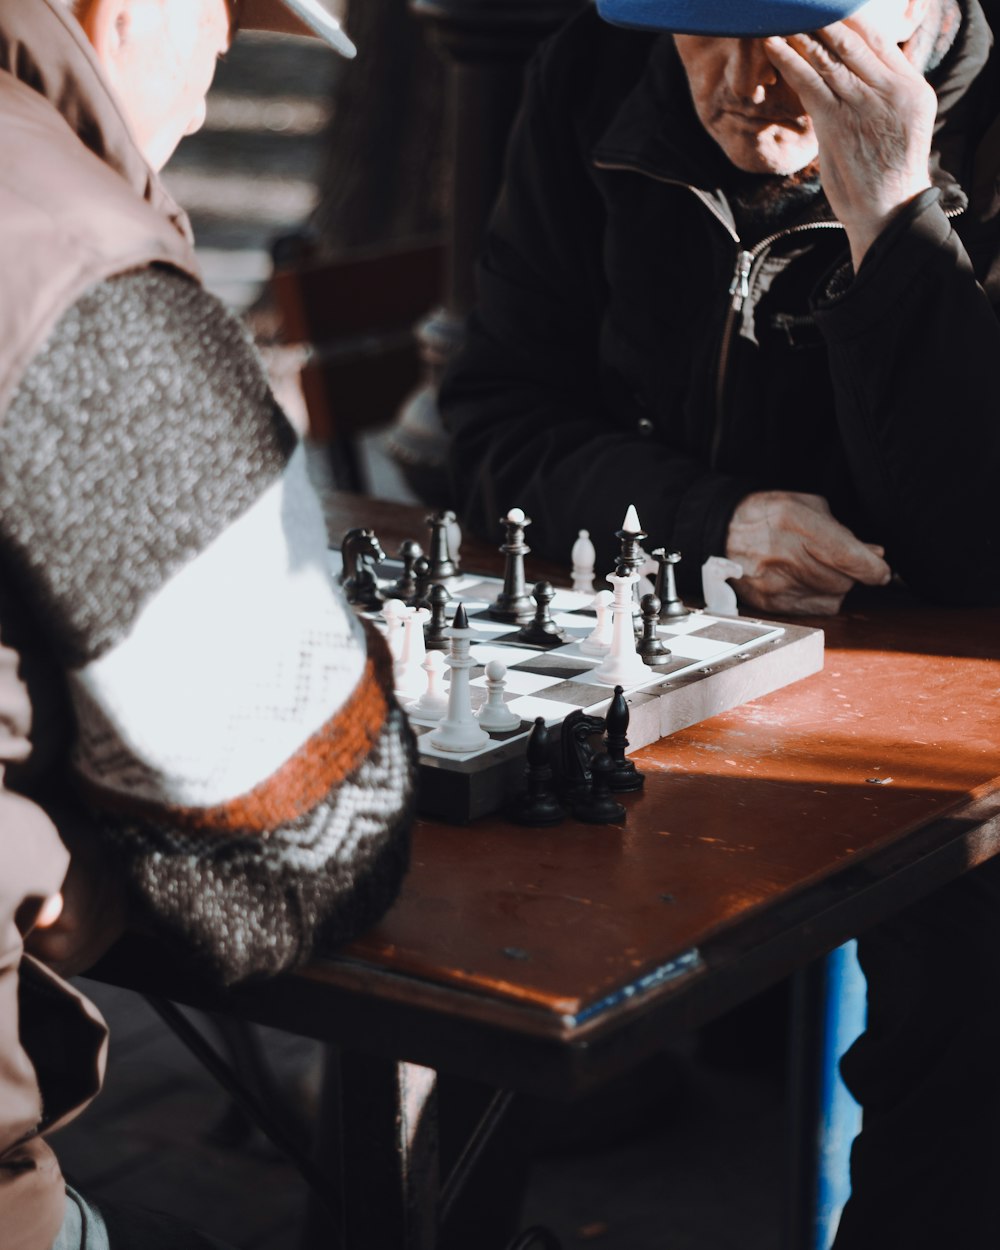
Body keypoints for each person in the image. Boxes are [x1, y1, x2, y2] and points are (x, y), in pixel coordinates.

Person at [0, 1, 417, 1246]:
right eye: (226, 18)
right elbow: (315, 829)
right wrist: (112, 873)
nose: (222, 63)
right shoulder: (67, 247)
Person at [441, 0, 1000, 617]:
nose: (743, 83)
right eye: (705, 23)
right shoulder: (595, 70)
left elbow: (977, 548)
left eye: (791, 36)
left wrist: (894, 224)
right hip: (653, 631)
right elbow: (497, 429)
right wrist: (708, 524)